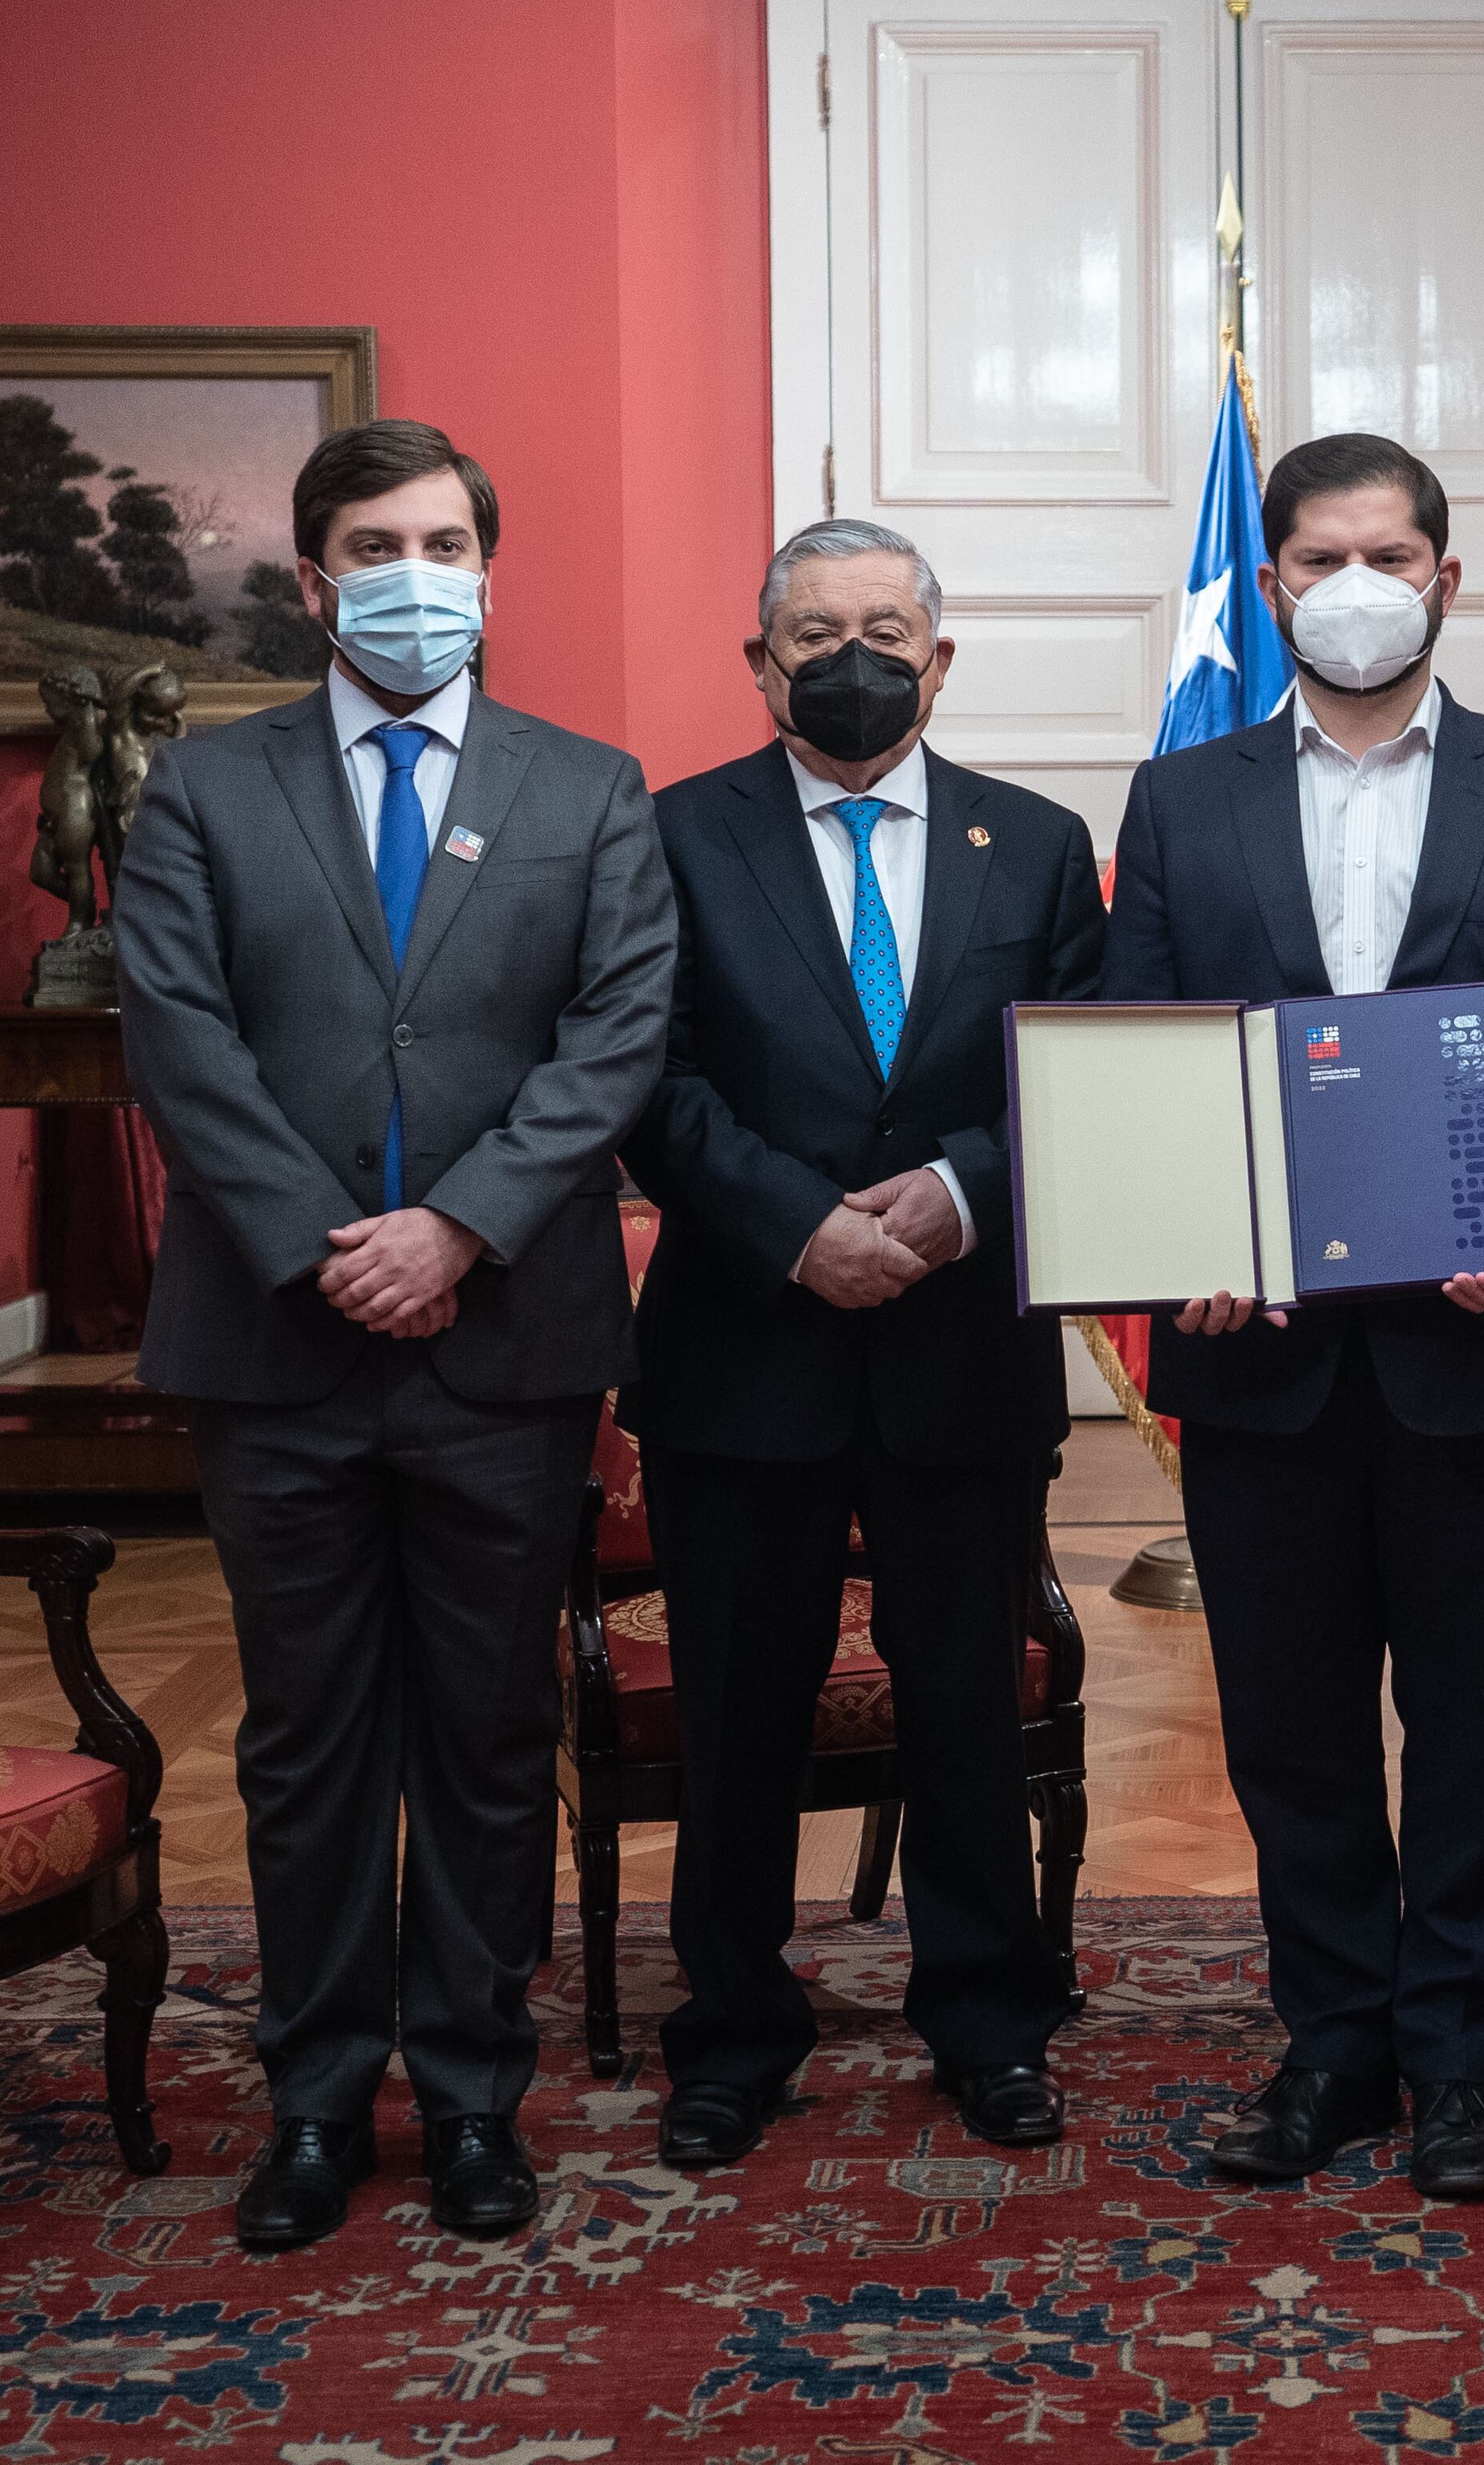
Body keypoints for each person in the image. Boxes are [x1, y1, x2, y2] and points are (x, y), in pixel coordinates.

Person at [115, 418, 676, 2250]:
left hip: (503, 1338)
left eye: (444, 540)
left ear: (489, 572)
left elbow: (612, 1044)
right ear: (312, 579)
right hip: (274, 1347)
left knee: (494, 1737)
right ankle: (311, 2096)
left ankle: (471, 2095)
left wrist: (455, 1229)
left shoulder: (590, 790)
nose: (413, 572)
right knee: (310, 1739)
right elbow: (179, 1042)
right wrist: (326, 1245)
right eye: (374, 543)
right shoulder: (204, 790)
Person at [1105, 431, 1484, 2202]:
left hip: (1481, 1338)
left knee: (1459, 1712)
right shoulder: (1183, 796)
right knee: (1283, 1724)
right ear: (1267, 585)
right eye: (1317, 558)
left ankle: (1453, 2056)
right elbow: (1141, 1056)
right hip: (1256, 1347)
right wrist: (1182, 1219)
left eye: (1390, 554)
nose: (1354, 586)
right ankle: (1329, 2047)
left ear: (1443, 575)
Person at [619, 518, 1108, 2170]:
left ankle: (989, 2020)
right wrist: (796, 1227)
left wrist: (959, 1198)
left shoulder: (1037, 845)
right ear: (759, 661)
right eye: (814, 629)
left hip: (959, 1344)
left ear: (941, 656)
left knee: (967, 1697)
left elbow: (1082, 1065)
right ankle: (733, 2032)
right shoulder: (669, 836)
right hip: (741, 1345)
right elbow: (644, 1076)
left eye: (885, 626)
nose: (852, 655)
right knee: (739, 1710)